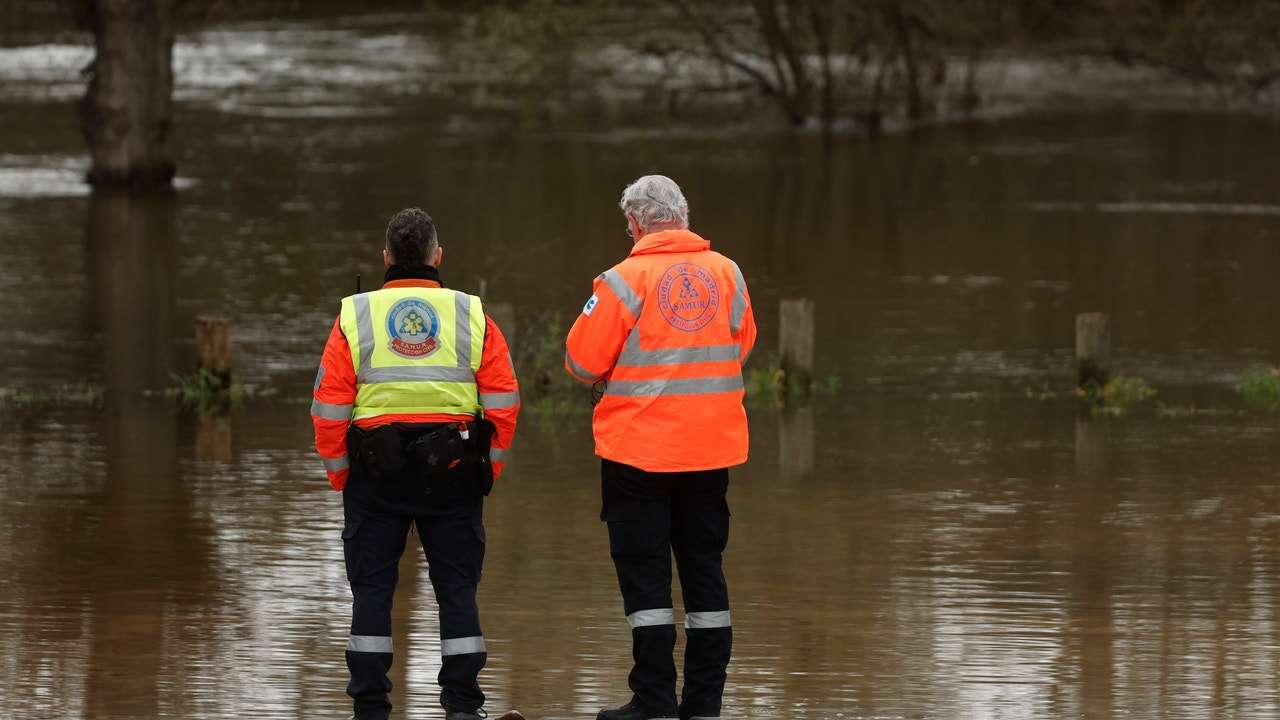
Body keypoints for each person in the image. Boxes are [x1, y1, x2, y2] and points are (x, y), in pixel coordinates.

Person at [311, 208, 522, 720]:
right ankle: (464, 708)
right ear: (437, 256)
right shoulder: (472, 314)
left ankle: (369, 707)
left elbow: (328, 408)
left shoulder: (353, 317)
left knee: (372, 591)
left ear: (385, 259)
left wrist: (341, 474)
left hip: (373, 474)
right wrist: (486, 472)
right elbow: (504, 404)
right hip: (452, 473)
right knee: (456, 590)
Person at [564, 175, 757, 720]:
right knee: (704, 569)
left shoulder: (622, 280)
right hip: (710, 450)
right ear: (684, 216)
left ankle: (652, 702)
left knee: (645, 574)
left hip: (638, 454)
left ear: (634, 223)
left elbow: (580, 363)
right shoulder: (728, 272)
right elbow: (742, 342)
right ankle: (704, 705)